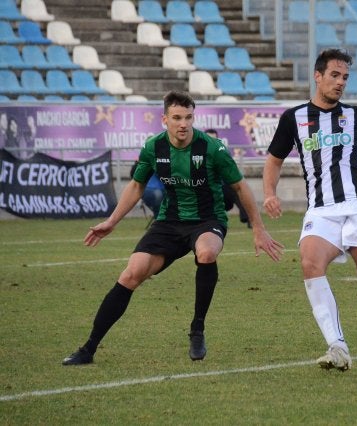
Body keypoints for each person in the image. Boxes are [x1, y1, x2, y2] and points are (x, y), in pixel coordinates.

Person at [62, 90, 284, 366]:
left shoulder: (213, 148)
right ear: (164, 119)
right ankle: (88, 349)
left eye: (189, 117)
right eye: (177, 118)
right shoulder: (153, 147)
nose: (183, 124)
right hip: (169, 222)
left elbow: (240, 186)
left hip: (207, 220)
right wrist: (112, 221)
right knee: (131, 274)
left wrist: (258, 229)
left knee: (206, 253)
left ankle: (197, 330)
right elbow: (136, 185)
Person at [262, 49, 357, 374]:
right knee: (309, 261)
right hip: (322, 210)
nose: (340, 82)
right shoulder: (294, 118)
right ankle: (338, 346)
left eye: (345, 77)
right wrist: (269, 193)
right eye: (335, 75)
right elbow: (274, 159)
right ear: (317, 76)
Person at [205, 128, 251, 228]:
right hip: (205, 190)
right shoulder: (197, 154)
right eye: (209, 139)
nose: (212, 142)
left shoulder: (222, 153)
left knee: (238, 189)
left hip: (222, 188)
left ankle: (248, 219)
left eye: (214, 139)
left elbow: (231, 173)